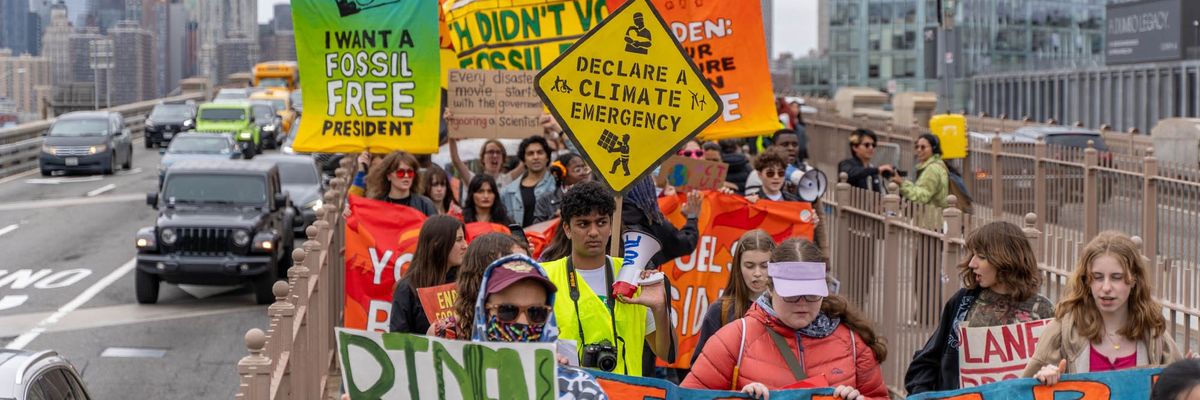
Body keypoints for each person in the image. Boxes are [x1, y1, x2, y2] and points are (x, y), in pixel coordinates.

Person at [683, 238, 887, 400]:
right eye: (791, 295)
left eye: (811, 294)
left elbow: (878, 397)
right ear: (770, 288)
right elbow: (687, 397)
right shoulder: (735, 339)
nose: (802, 303)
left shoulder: (852, 342)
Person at [541, 181, 676, 376]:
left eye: (601, 222)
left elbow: (666, 353)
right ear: (568, 229)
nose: (594, 232)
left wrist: (660, 309)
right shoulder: (544, 277)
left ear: (611, 226)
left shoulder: (633, 275)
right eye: (583, 224)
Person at [904, 221, 1055, 395]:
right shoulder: (963, 302)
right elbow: (927, 361)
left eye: (981, 257)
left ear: (1005, 260)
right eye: (973, 255)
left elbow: (1057, 373)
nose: (972, 263)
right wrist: (921, 394)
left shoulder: (1043, 311)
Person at [436, 253, 611, 400]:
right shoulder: (449, 386)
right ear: (484, 313)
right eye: (507, 310)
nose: (522, 322)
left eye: (536, 313)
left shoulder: (579, 390)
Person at [1024, 231, 1185, 384]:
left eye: (1116, 277)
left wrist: (1191, 374)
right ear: (1087, 280)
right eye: (1098, 277)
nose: (1106, 287)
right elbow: (1021, 392)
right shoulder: (1062, 331)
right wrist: (1042, 380)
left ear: (1134, 279)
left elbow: (1179, 390)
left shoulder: (1153, 334)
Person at [690, 230, 776, 366]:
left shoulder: (786, 309)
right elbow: (699, 368)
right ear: (738, 267)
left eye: (764, 266)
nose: (757, 273)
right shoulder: (719, 311)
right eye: (749, 266)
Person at [431, 232, 527, 339]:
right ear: (483, 274)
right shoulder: (446, 331)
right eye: (516, 266)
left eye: (529, 264)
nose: (526, 274)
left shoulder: (537, 321)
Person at [389, 215, 468, 334]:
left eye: (464, 239)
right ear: (437, 244)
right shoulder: (407, 288)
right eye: (458, 240)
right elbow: (397, 340)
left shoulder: (466, 282)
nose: (465, 245)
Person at [891, 134, 949, 229]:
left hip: (930, 224)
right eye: (917, 147)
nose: (919, 150)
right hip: (934, 221)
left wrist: (902, 183)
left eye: (923, 147)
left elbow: (922, 196)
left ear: (933, 149)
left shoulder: (932, 169)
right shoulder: (937, 165)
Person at [501, 135, 556, 227]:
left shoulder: (558, 185)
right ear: (524, 160)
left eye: (540, 152)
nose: (535, 157)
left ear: (547, 157)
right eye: (530, 153)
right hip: (519, 240)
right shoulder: (508, 191)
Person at [365, 151, 438, 216]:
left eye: (410, 173)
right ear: (389, 176)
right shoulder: (377, 205)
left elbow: (435, 230)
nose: (406, 176)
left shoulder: (425, 205)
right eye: (400, 172)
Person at [535, 153, 592, 224]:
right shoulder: (545, 200)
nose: (583, 173)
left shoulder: (596, 196)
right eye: (577, 170)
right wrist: (555, 218)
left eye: (584, 168)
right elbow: (537, 228)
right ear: (562, 173)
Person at [449, 138, 521, 188]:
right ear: (483, 158)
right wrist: (451, 136)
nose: (495, 155)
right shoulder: (474, 180)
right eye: (490, 152)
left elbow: (525, 163)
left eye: (498, 152)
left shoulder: (507, 180)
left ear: (503, 159)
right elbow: (456, 161)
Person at [837, 129, 891, 194]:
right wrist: (877, 170)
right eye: (867, 145)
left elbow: (877, 195)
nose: (871, 148)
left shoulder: (872, 168)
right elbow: (851, 173)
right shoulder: (846, 164)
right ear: (855, 147)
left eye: (873, 145)